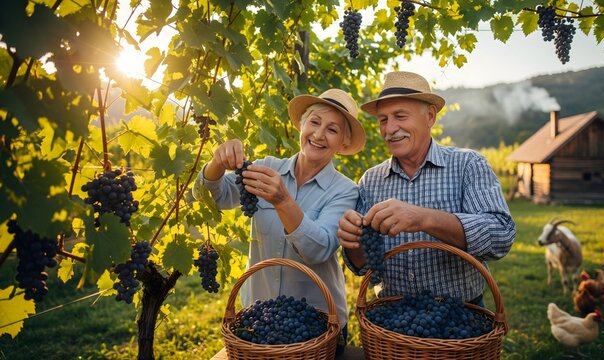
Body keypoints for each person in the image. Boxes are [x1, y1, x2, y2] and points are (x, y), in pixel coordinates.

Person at [193, 88, 366, 352]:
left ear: (343, 143)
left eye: (332, 130)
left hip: (317, 327)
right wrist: (218, 161)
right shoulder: (267, 168)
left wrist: (283, 201)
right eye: (315, 123)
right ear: (301, 125)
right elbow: (209, 197)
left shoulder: (345, 191)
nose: (319, 134)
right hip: (260, 321)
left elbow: (318, 249)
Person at [338, 71, 516, 306]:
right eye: (383, 120)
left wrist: (423, 218)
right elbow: (361, 265)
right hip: (393, 322)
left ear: (430, 117)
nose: (390, 128)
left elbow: (501, 235)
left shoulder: (468, 165)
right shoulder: (370, 180)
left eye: (400, 116)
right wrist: (353, 241)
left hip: (458, 318)